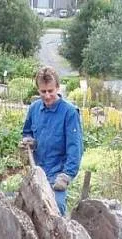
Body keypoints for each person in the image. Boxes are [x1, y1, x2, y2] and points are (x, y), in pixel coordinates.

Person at [19, 66, 83, 216]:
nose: (47, 96)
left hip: (57, 175)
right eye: (43, 92)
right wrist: (29, 141)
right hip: (38, 172)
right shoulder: (34, 109)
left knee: (56, 208)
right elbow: (27, 131)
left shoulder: (70, 113)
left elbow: (75, 148)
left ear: (58, 88)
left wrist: (67, 175)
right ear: (38, 90)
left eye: (50, 91)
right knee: (28, 210)